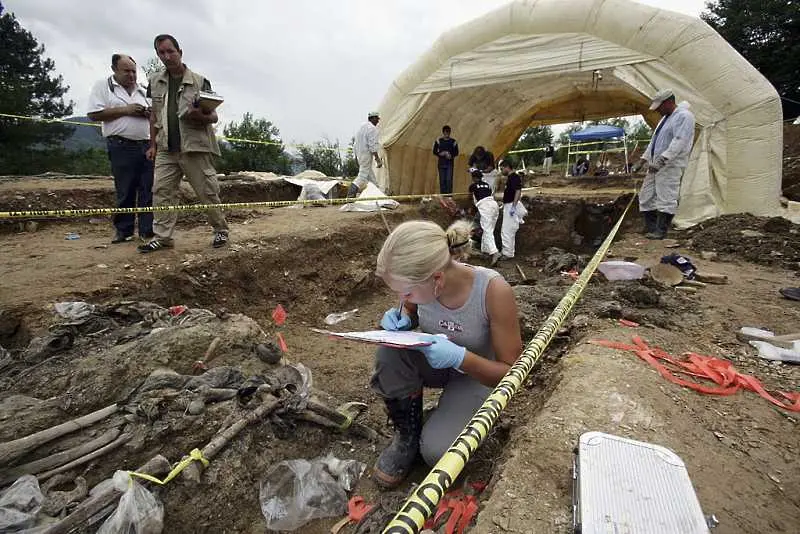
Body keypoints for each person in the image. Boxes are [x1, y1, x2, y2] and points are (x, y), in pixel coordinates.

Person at [370, 220, 522, 488]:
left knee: (437, 453)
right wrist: (403, 316)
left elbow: (512, 373)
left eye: (406, 292)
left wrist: (461, 358)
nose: (404, 296)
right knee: (389, 354)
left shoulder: (493, 291)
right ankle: (408, 436)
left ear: (437, 279)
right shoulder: (421, 282)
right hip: (435, 362)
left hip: (478, 375)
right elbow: (409, 307)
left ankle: (443, 421)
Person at [138, 34, 229, 253]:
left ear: (180, 52)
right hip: (166, 148)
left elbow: (213, 117)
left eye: (171, 51)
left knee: (206, 191)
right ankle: (163, 237)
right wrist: (152, 145)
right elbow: (154, 117)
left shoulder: (199, 81)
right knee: (161, 192)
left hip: (194, 147)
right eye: (162, 52)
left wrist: (199, 115)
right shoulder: (155, 82)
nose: (167, 56)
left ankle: (220, 230)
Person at [87, 54, 153, 244]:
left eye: (133, 71)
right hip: (121, 145)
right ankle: (124, 231)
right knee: (125, 190)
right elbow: (93, 113)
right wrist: (126, 110)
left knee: (148, 189)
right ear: (114, 69)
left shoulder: (143, 90)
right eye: (126, 71)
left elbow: (155, 114)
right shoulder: (103, 86)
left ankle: (147, 231)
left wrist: (147, 113)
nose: (131, 75)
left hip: (146, 145)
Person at [633, 89, 696, 240]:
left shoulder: (684, 116)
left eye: (659, 107)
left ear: (668, 102)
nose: (658, 111)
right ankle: (651, 227)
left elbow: (679, 141)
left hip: (670, 165)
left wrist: (663, 160)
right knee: (645, 196)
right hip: (655, 165)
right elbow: (654, 142)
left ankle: (661, 231)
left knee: (666, 196)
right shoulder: (665, 119)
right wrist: (642, 160)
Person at [468, 168, 500, 265]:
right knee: (490, 229)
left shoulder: (473, 186)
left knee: (487, 231)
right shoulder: (487, 185)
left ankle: (495, 252)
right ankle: (485, 251)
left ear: (473, 178)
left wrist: (470, 209)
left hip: (485, 206)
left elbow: (470, 198)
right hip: (494, 205)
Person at [349, 112, 383, 198]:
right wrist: (377, 159)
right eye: (377, 119)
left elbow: (355, 144)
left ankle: (378, 193)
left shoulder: (361, 127)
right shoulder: (372, 129)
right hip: (366, 154)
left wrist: (356, 157)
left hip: (360, 154)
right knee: (362, 175)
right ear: (373, 118)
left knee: (371, 177)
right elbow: (372, 145)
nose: (378, 121)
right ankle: (351, 193)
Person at [499, 160, 524, 259]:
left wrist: (513, 206)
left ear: (507, 167)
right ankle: (509, 251)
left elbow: (518, 191)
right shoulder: (511, 177)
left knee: (507, 230)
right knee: (508, 230)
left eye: (502, 168)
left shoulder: (514, 177)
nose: (501, 171)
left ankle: (507, 253)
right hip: (508, 205)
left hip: (511, 205)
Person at [432, 125, 459, 194]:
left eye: (448, 132)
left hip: (449, 163)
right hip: (441, 163)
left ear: (450, 133)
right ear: (443, 132)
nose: (447, 134)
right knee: (442, 180)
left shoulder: (453, 142)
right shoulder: (438, 141)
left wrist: (451, 155)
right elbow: (434, 151)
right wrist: (440, 153)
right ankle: (443, 196)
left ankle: (449, 196)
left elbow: (456, 152)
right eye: (445, 132)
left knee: (449, 180)